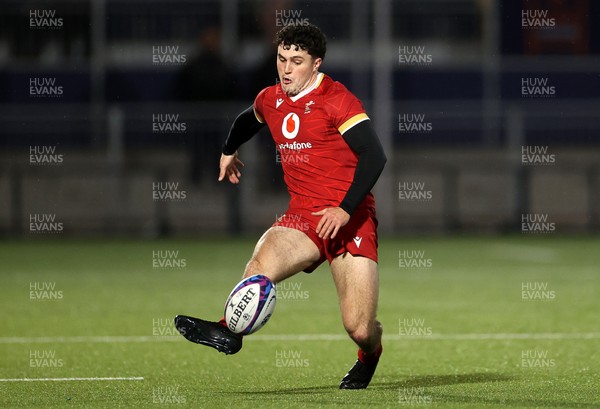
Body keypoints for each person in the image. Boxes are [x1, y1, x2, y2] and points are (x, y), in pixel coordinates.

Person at [175, 23, 387, 390]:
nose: (286, 69)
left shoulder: (337, 99)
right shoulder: (271, 99)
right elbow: (247, 120)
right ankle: (228, 330)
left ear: (316, 64)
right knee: (259, 267)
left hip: (349, 219)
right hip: (303, 217)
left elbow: (374, 156)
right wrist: (228, 150)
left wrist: (344, 209)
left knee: (359, 327)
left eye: (297, 61)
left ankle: (369, 355)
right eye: (282, 59)